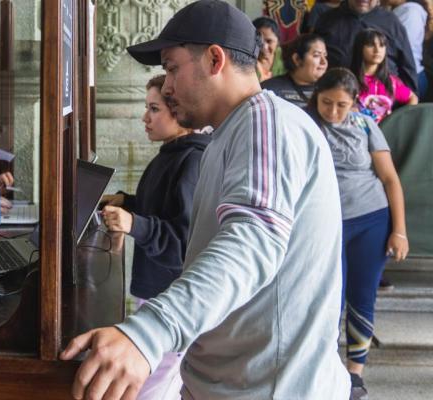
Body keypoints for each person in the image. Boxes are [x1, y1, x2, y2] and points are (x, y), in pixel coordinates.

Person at [59, 1, 349, 399]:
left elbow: (252, 242)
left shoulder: (265, 122)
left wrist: (150, 331)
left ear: (215, 59)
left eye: (173, 67)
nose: (167, 86)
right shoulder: (227, 133)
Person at [100, 74, 209, 400]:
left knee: (146, 390)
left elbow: (182, 240)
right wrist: (127, 202)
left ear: (179, 111)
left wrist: (133, 223)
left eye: (154, 109)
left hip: (172, 297)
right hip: (158, 292)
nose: (145, 118)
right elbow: (160, 209)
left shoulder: (192, 160)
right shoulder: (172, 152)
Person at [305, 67, 408, 400]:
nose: (333, 112)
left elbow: (390, 179)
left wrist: (400, 232)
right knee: (328, 298)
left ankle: (354, 374)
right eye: (326, 103)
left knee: (362, 297)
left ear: (354, 103)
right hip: (324, 223)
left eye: (341, 105)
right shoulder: (304, 124)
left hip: (370, 220)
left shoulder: (366, 125)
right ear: (316, 97)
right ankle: (327, 367)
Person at [314, 0, 419, 93]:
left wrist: (409, 109)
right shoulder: (327, 19)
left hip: (383, 102)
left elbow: (407, 66)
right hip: (336, 96)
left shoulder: (391, 22)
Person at [351, 29, 418, 123]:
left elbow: (413, 98)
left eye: (382, 45)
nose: (377, 50)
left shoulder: (391, 82)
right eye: (371, 45)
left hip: (385, 134)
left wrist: (400, 120)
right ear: (360, 48)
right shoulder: (349, 79)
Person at [262, 33, 328, 107]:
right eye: (316, 55)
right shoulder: (271, 90)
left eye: (325, 56)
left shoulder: (329, 91)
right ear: (297, 59)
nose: (324, 62)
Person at [385, 0, 431, 97]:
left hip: (408, 77)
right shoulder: (400, 10)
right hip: (402, 75)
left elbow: (402, 47)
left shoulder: (410, 11)